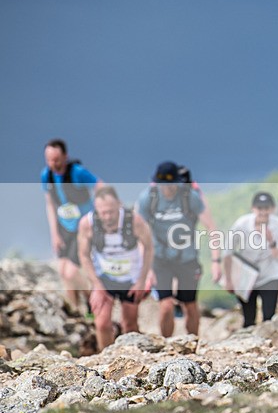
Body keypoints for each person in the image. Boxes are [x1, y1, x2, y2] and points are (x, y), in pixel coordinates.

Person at [136, 161, 222, 338]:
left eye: (170, 184)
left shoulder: (189, 197)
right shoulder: (148, 198)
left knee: (189, 304)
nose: (167, 189)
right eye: (163, 185)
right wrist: (145, 269)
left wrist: (216, 261)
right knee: (166, 304)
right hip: (160, 259)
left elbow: (211, 227)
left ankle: (193, 343)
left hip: (187, 258)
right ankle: (166, 344)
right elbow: (140, 234)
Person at [77, 186, 154, 351]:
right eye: (103, 212)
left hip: (131, 277)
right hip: (104, 278)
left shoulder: (134, 221)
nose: (107, 217)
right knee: (102, 323)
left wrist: (142, 280)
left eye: (111, 212)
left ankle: (133, 357)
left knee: (130, 323)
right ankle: (106, 357)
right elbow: (83, 255)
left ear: (119, 205)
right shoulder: (87, 224)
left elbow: (148, 248)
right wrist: (96, 285)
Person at [41, 138, 102, 312]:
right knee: (62, 271)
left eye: (56, 160)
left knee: (71, 272)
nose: (53, 164)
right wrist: (54, 234)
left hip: (82, 228)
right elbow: (50, 205)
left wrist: (101, 211)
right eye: (49, 160)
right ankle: (75, 311)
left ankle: (92, 301)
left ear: (65, 157)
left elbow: (101, 186)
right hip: (64, 228)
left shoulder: (78, 172)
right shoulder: (46, 176)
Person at [223, 192, 278, 327]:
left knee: (269, 319)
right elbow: (227, 251)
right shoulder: (242, 225)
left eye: (266, 208)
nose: (263, 212)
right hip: (246, 277)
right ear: (253, 208)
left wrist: (271, 241)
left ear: (272, 209)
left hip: (270, 276)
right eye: (260, 208)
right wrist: (229, 280)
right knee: (249, 319)